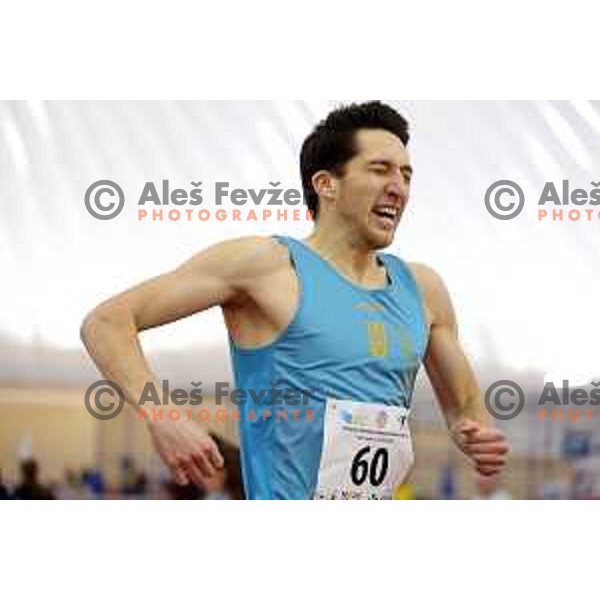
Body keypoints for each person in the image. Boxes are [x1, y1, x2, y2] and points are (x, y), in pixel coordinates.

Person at [81, 101, 508, 500]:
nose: (398, 187)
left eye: (407, 175)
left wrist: (476, 436)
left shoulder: (424, 289)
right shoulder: (264, 265)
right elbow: (107, 322)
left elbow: (466, 406)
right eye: (380, 170)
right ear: (326, 184)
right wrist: (164, 416)